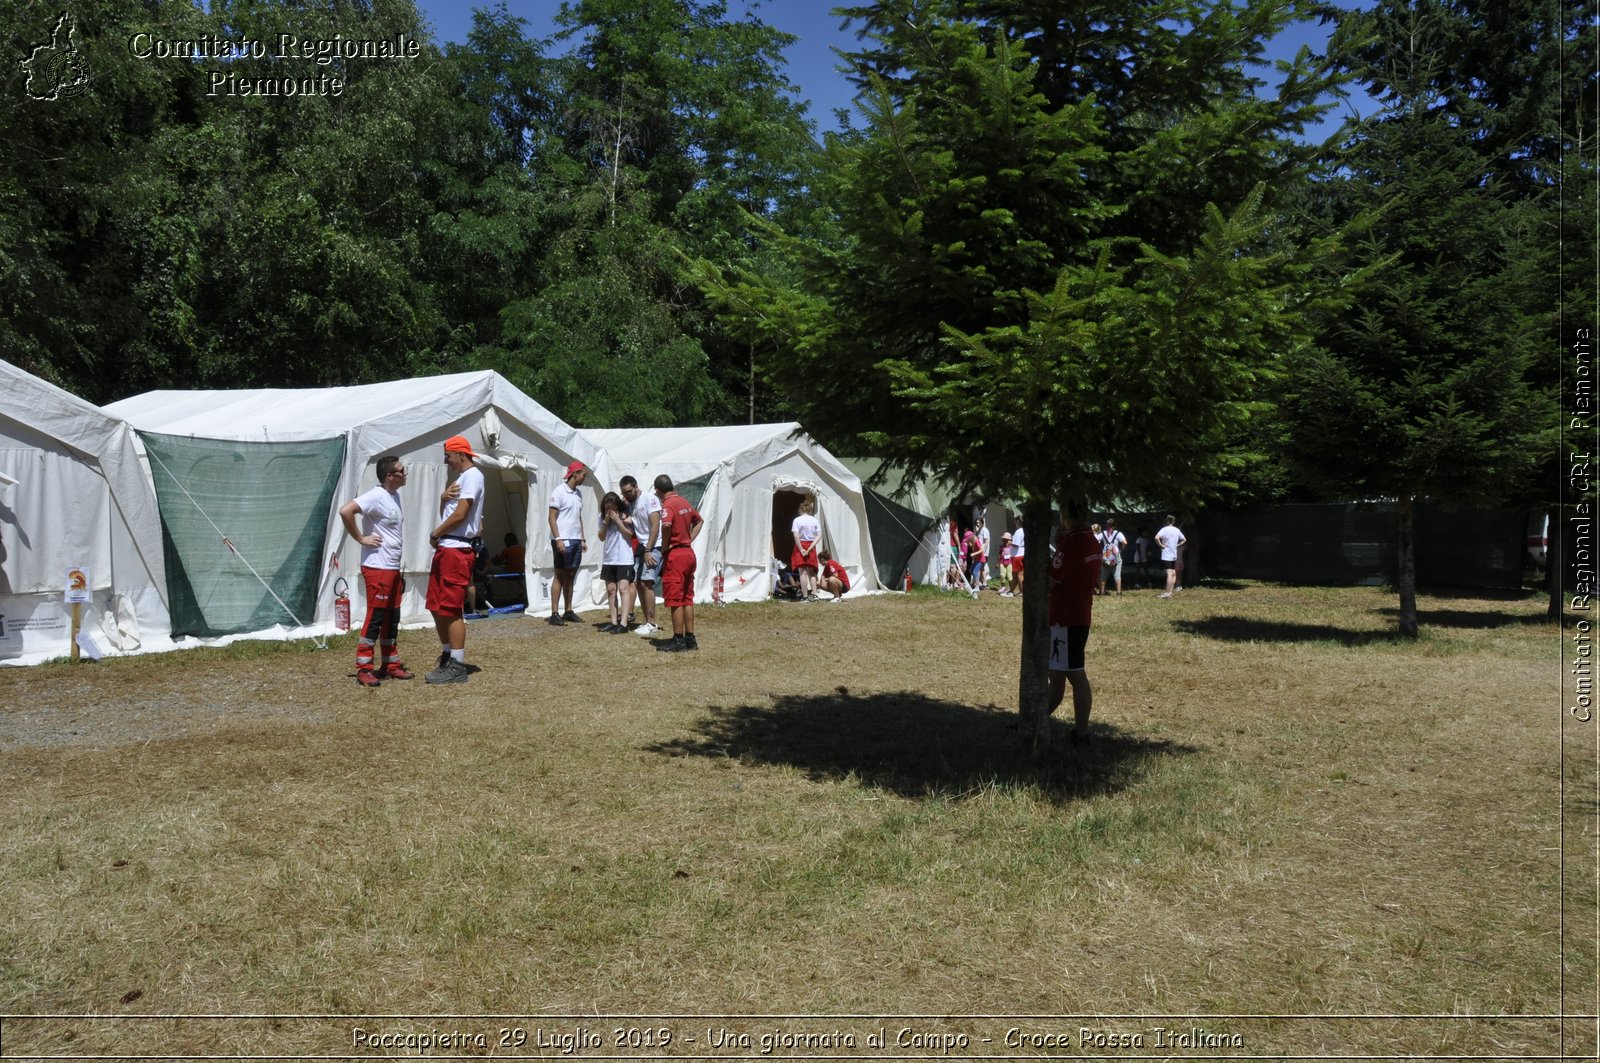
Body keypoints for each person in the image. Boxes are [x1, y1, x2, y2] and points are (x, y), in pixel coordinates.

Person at [337, 455, 413, 687]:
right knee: (376, 616)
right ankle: (364, 667)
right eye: (401, 471)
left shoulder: (394, 496)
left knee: (392, 617)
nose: (405, 473)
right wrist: (361, 538)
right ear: (389, 476)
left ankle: (390, 664)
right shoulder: (376, 495)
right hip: (377, 567)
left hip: (391, 567)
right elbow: (345, 511)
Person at [424, 435, 485, 684]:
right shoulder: (462, 479)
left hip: (455, 550)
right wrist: (442, 499)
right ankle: (449, 656)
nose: (446, 461)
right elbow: (452, 514)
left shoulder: (473, 476)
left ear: (460, 454)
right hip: (447, 548)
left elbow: (461, 515)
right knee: (437, 606)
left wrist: (436, 533)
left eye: (448, 456)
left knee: (450, 609)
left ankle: (457, 665)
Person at [1048, 502, 1101, 743]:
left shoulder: (1072, 544)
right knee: (1057, 673)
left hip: (1065, 618)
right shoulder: (1091, 539)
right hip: (1080, 613)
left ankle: (1081, 734)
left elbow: (1050, 580)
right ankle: (1035, 720)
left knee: (1074, 674)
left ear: (1065, 515)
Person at [653, 474, 704, 652]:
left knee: (675, 599)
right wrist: (688, 539)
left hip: (676, 555)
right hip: (688, 553)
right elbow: (699, 521)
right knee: (687, 598)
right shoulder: (683, 502)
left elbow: (666, 526)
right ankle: (690, 639)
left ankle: (678, 640)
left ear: (658, 491)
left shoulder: (668, 504)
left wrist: (665, 547)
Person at [620, 475, 662, 636]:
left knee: (646, 582)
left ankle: (652, 623)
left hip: (653, 546)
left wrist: (648, 550)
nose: (627, 495)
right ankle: (647, 622)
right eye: (624, 493)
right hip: (642, 546)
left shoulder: (650, 499)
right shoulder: (630, 503)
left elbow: (655, 526)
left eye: (629, 491)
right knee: (639, 583)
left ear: (636, 486)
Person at [547, 460, 587, 625]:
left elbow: (578, 517)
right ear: (575, 474)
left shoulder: (578, 494)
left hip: (576, 539)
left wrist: (582, 538)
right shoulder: (559, 491)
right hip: (563, 540)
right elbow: (551, 517)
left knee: (571, 575)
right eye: (583, 474)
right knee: (560, 575)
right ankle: (554, 613)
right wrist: (558, 539)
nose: (585, 477)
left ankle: (568, 610)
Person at [597, 490, 636, 634]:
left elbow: (630, 535)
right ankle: (613, 622)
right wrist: (606, 523)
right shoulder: (601, 518)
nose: (610, 511)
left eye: (612, 508)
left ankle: (624, 623)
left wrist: (619, 521)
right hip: (609, 558)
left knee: (623, 589)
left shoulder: (625, 517)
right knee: (611, 590)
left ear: (617, 507)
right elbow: (601, 537)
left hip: (624, 557)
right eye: (607, 508)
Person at [791, 497, 821, 601]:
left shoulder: (797, 520)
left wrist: (801, 549)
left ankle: (804, 596)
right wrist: (810, 548)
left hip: (801, 545)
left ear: (801, 509)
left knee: (802, 572)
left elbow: (796, 536)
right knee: (811, 572)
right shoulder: (814, 520)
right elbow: (819, 535)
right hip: (811, 545)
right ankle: (814, 594)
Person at [1155, 514, 1187, 598]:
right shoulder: (1176, 530)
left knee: (1169, 573)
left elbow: (1156, 537)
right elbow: (1184, 539)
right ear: (1173, 522)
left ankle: (1167, 592)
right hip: (1174, 554)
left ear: (1166, 521)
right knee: (1173, 573)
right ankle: (1170, 592)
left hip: (1166, 554)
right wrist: (1178, 545)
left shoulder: (1164, 529)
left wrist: (1161, 545)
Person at [1098, 517, 1128, 596]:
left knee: (1103, 575)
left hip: (1106, 556)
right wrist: (1121, 550)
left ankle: (1102, 592)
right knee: (1117, 575)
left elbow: (1096, 540)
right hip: (1116, 557)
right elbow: (1125, 542)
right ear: (1114, 526)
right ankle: (1118, 593)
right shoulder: (1118, 533)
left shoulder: (1103, 533)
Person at [1009, 523, 1026, 596]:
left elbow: (1016, 544)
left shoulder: (1019, 531)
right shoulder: (1024, 530)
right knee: (1016, 574)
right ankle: (1011, 591)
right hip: (1020, 554)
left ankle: (1022, 591)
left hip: (1017, 555)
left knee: (1019, 574)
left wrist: (1009, 542)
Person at [975, 516, 991, 589]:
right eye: (977, 522)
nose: (977, 524)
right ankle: (984, 582)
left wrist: (983, 551)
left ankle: (984, 582)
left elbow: (987, 541)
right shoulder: (980, 530)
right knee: (981, 567)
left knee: (981, 567)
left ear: (982, 522)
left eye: (979, 522)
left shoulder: (985, 530)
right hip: (980, 551)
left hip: (984, 551)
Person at [998, 532, 1015, 597]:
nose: (1004, 540)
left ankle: (1011, 588)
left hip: (1009, 563)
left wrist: (1011, 544)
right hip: (1002, 562)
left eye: (1006, 539)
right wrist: (998, 562)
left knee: (1009, 576)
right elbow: (999, 554)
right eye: (1003, 539)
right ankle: (1003, 587)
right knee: (1002, 575)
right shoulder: (1001, 547)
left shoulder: (1012, 547)